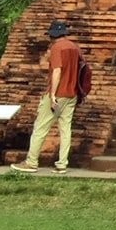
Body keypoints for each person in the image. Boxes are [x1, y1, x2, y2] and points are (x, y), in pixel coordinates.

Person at [18, 19, 84, 172]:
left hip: (58, 94)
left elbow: (57, 70)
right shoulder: (75, 48)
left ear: (53, 35)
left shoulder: (57, 48)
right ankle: (62, 164)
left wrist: (53, 94)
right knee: (65, 129)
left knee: (41, 128)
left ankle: (31, 162)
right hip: (72, 93)